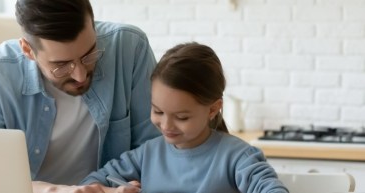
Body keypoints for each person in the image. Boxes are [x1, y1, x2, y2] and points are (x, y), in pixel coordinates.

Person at [0, 0, 161, 192]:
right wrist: (58, 190)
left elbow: (153, 151)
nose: (80, 75)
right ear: (28, 50)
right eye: (61, 65)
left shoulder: (130, 49)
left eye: (89, 54)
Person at [80, 42, 289, 193]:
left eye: (181, 117)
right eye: (158, 111)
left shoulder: (238, 157)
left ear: (213, 109)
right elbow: (91, 184)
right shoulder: (146, 155)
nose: (166, 125)